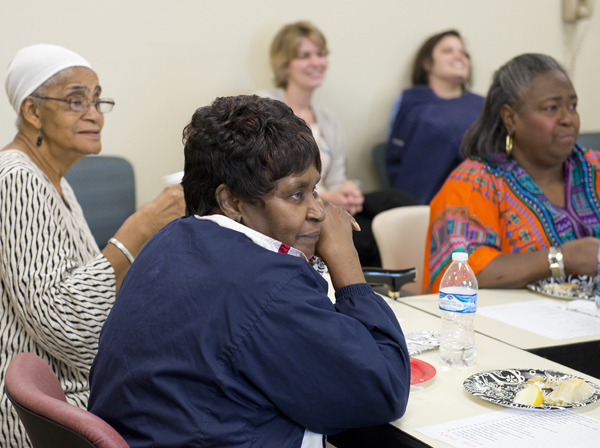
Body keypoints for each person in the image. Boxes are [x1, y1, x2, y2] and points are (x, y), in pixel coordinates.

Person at [88, 95, 411, 448]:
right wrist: (346, 263)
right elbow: (384, 391)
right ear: (233, 202)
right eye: (295, 195)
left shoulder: (171, 238)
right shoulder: (266, 283)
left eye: (314, 190)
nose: (319, 210)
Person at [0, 44, 184, 447]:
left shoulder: (56, 180)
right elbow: (67, 324)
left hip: (72, 387)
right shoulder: (17, 179)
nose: (95, 114)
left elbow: (83, 288)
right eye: (76, 100)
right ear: (32, 112)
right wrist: (142, 225)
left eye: (98, 100)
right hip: (46, 408)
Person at [423, 53, 600, 294]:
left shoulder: (593, 168)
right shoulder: (474, 182)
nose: (568, 119)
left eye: (572, 106)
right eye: (551, 108)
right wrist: (561, 258)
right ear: (510, 117)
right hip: (506, 327)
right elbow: (461, 272)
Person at [259, 21, 415, 266]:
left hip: (327, 201)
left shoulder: (328, 118)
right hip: (294, 204)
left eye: (320, 54)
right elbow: (269, 179)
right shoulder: (264, 106)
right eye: (305, 56)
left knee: (400, 201)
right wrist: (328, 196)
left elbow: (338, 176)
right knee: (367, 238)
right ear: (285, 64)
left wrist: (348, 191)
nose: (316, 62)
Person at [387, 30, 484, 205]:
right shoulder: (413, 102)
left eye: (463, 53)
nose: (459, 56)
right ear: (427, 64)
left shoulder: (482, 104)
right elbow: (398, 156)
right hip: (435, 200)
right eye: (448, 51)